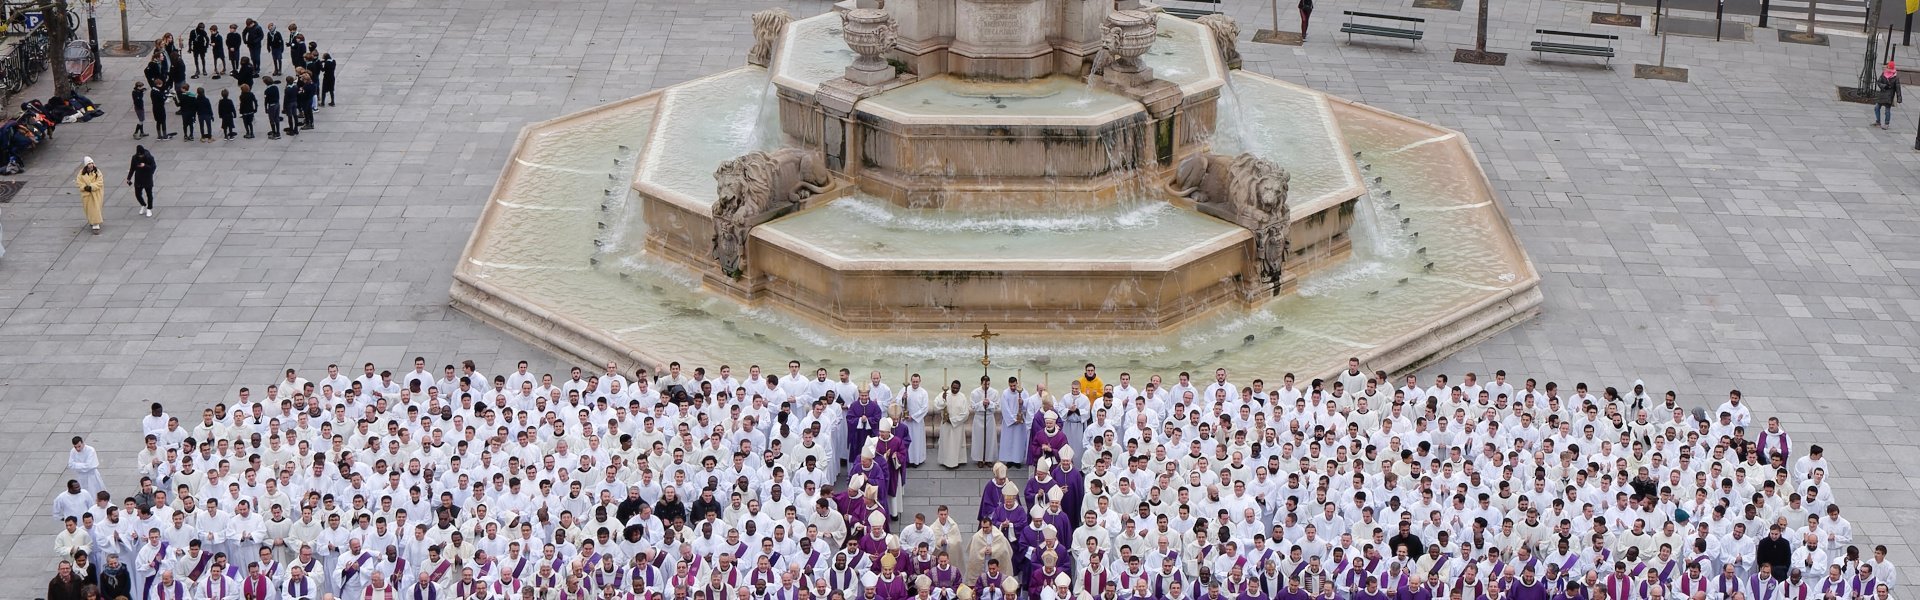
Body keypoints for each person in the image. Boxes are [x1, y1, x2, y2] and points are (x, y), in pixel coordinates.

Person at [76, 157, 104, 234]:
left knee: (95, 208)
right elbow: (79, 182)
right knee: (88, 209)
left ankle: (96, 223)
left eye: (91, 163)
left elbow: (100, 182)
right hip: (87, 195)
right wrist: (84, 187)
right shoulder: (81, 173)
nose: (91, 165)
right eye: (89, 164)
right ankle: (92, 220)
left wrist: (91, 186)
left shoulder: (97, 172)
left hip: (96, 194)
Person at [127, 146, 156, 218]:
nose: (140, 156)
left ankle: (149, 208)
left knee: (149, 194)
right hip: (138, 178)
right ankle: (143, 205)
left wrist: (145, 166)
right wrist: (129, 178)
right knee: (137, 194)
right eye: (139, 155)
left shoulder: (149, 157)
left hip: (147, 178)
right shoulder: (134, 158)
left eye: (141, 155)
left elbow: (153, 167)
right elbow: (132, 168)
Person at [1874, 60, 1901, 130]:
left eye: (1889, 67)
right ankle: (1878, 121)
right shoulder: (1884, 74)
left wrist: (1899, 98)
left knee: (1887, 110)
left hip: (1889, 95)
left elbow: (1898, 88)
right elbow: (1878, 82)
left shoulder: (1895, 77)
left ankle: (1886, 124)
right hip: (1882, 93)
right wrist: (1884, 86)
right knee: (1877, 107)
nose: (1888, 68)